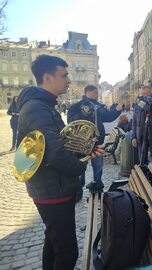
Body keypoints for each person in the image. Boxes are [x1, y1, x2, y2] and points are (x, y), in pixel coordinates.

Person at [16, 55, 104, 270]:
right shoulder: (37, 108)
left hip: (52, 186)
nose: (68, 80)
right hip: (52, 189)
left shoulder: (42, 105)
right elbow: (55, 152)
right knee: (67, 252)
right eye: (64, 75)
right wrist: (80, 166)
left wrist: (86, 150)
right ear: (47, 77)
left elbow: (58, 143)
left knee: (54, 244)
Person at [67, 85, 122, 200]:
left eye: (97, 92)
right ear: (88, 92)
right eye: (95, 92)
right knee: (80, 167)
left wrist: (116, 110)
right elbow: (71, 120)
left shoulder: (98, 106)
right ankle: (78, 191)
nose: (97, 94)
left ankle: (97, 186)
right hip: (82, 143)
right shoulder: (77, 106)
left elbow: (107, 116)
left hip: (97, 142)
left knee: (98, 167)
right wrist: (83, 114)